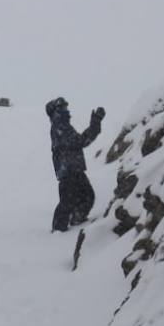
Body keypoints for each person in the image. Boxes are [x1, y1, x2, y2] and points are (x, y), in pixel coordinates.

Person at [46, 97, 105, 232]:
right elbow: (80, 141)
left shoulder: (64, 126)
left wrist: (95, 124)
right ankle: (58, 231)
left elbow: (80, 141)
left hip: (74, 169)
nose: (66, 111)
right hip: (68, 171)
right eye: (63, 108)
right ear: (56, 112)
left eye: (66, 108)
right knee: (68, 201)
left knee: (87, 196)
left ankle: (76, 219)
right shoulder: (59, 126)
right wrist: (95, 123)